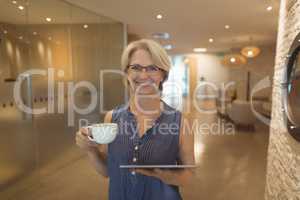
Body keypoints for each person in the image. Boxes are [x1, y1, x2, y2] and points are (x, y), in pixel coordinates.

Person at [76, 39, 195, 200]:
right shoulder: (112, 118)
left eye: (152, 68)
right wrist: (90, 150)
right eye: (136, 68)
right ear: (127, 73)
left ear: (163, 74)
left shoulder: (180, 122)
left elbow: (190, 174)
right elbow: (107, 171)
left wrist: (168, 176)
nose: (144, 75)